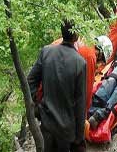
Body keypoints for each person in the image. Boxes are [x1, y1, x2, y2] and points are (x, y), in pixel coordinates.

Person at [27, 19, 87, 152]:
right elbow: (80, 104)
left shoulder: (46, 52)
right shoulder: (80, 63)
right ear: (76, 36)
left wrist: (37, 107)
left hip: (46, 125)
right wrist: (79, 138)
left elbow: (30, 81)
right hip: (66, 131)